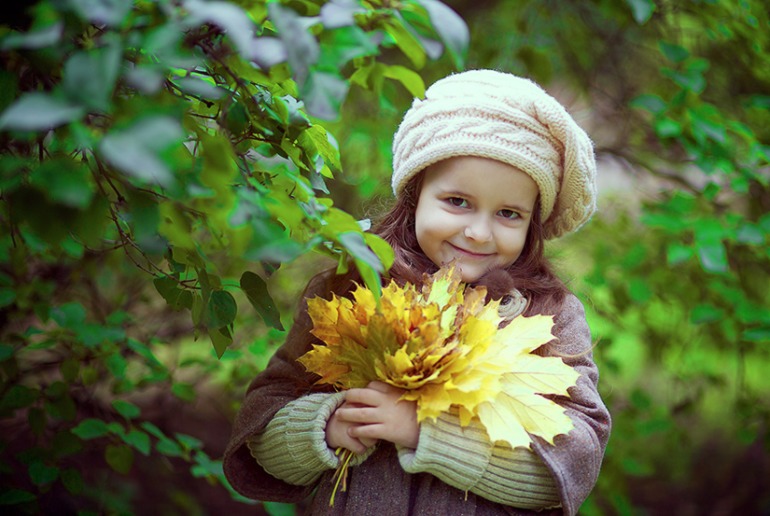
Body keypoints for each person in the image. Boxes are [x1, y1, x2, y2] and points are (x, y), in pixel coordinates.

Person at [223, 69, 611, 515]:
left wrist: (430, 435)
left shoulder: (549, 317)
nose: (479, 232)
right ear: (415, 194)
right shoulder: (354, 289)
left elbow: (574, 460)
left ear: (532, 224)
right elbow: (261, 428)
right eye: (457, 201)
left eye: (508, 213)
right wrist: (324, 427)